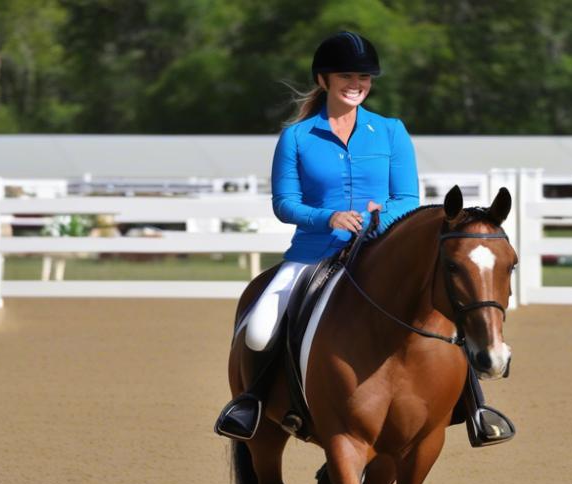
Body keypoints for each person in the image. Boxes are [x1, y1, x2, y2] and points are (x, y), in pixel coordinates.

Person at [215, 31, 514, 446]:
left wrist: (378, 218)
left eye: (364, 77)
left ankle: (476, 408)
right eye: (345, 76)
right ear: (323, 80)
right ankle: (251, 405)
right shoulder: (297, 138)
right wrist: (329, 216)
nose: (356, 84)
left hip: (379, 253)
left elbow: (407, 197)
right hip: (313, 255)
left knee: (446, 316)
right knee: (260, 330)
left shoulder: (391, 132)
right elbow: (285, 203)